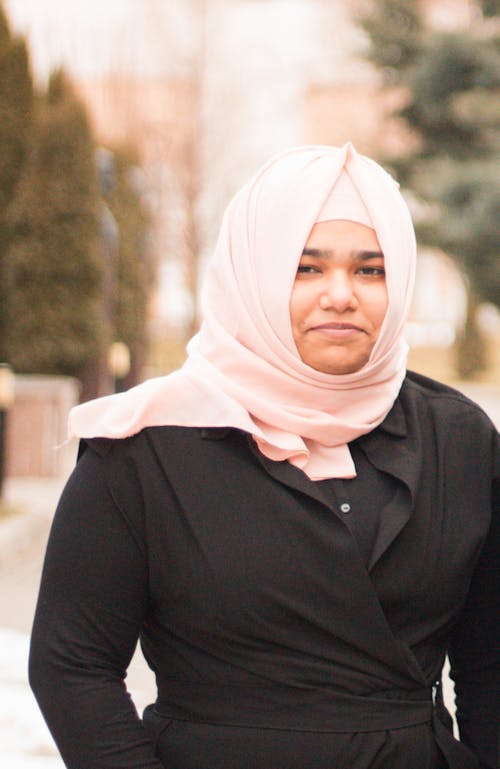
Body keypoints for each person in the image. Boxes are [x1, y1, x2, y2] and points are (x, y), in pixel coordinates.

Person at [29, 143, 499, 769]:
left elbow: (489, 665)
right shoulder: (147, 446)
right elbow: (72, 667)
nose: (340, 295)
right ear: (254, 273)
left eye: (370, 269)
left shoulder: (459, 439)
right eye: (306, 268)